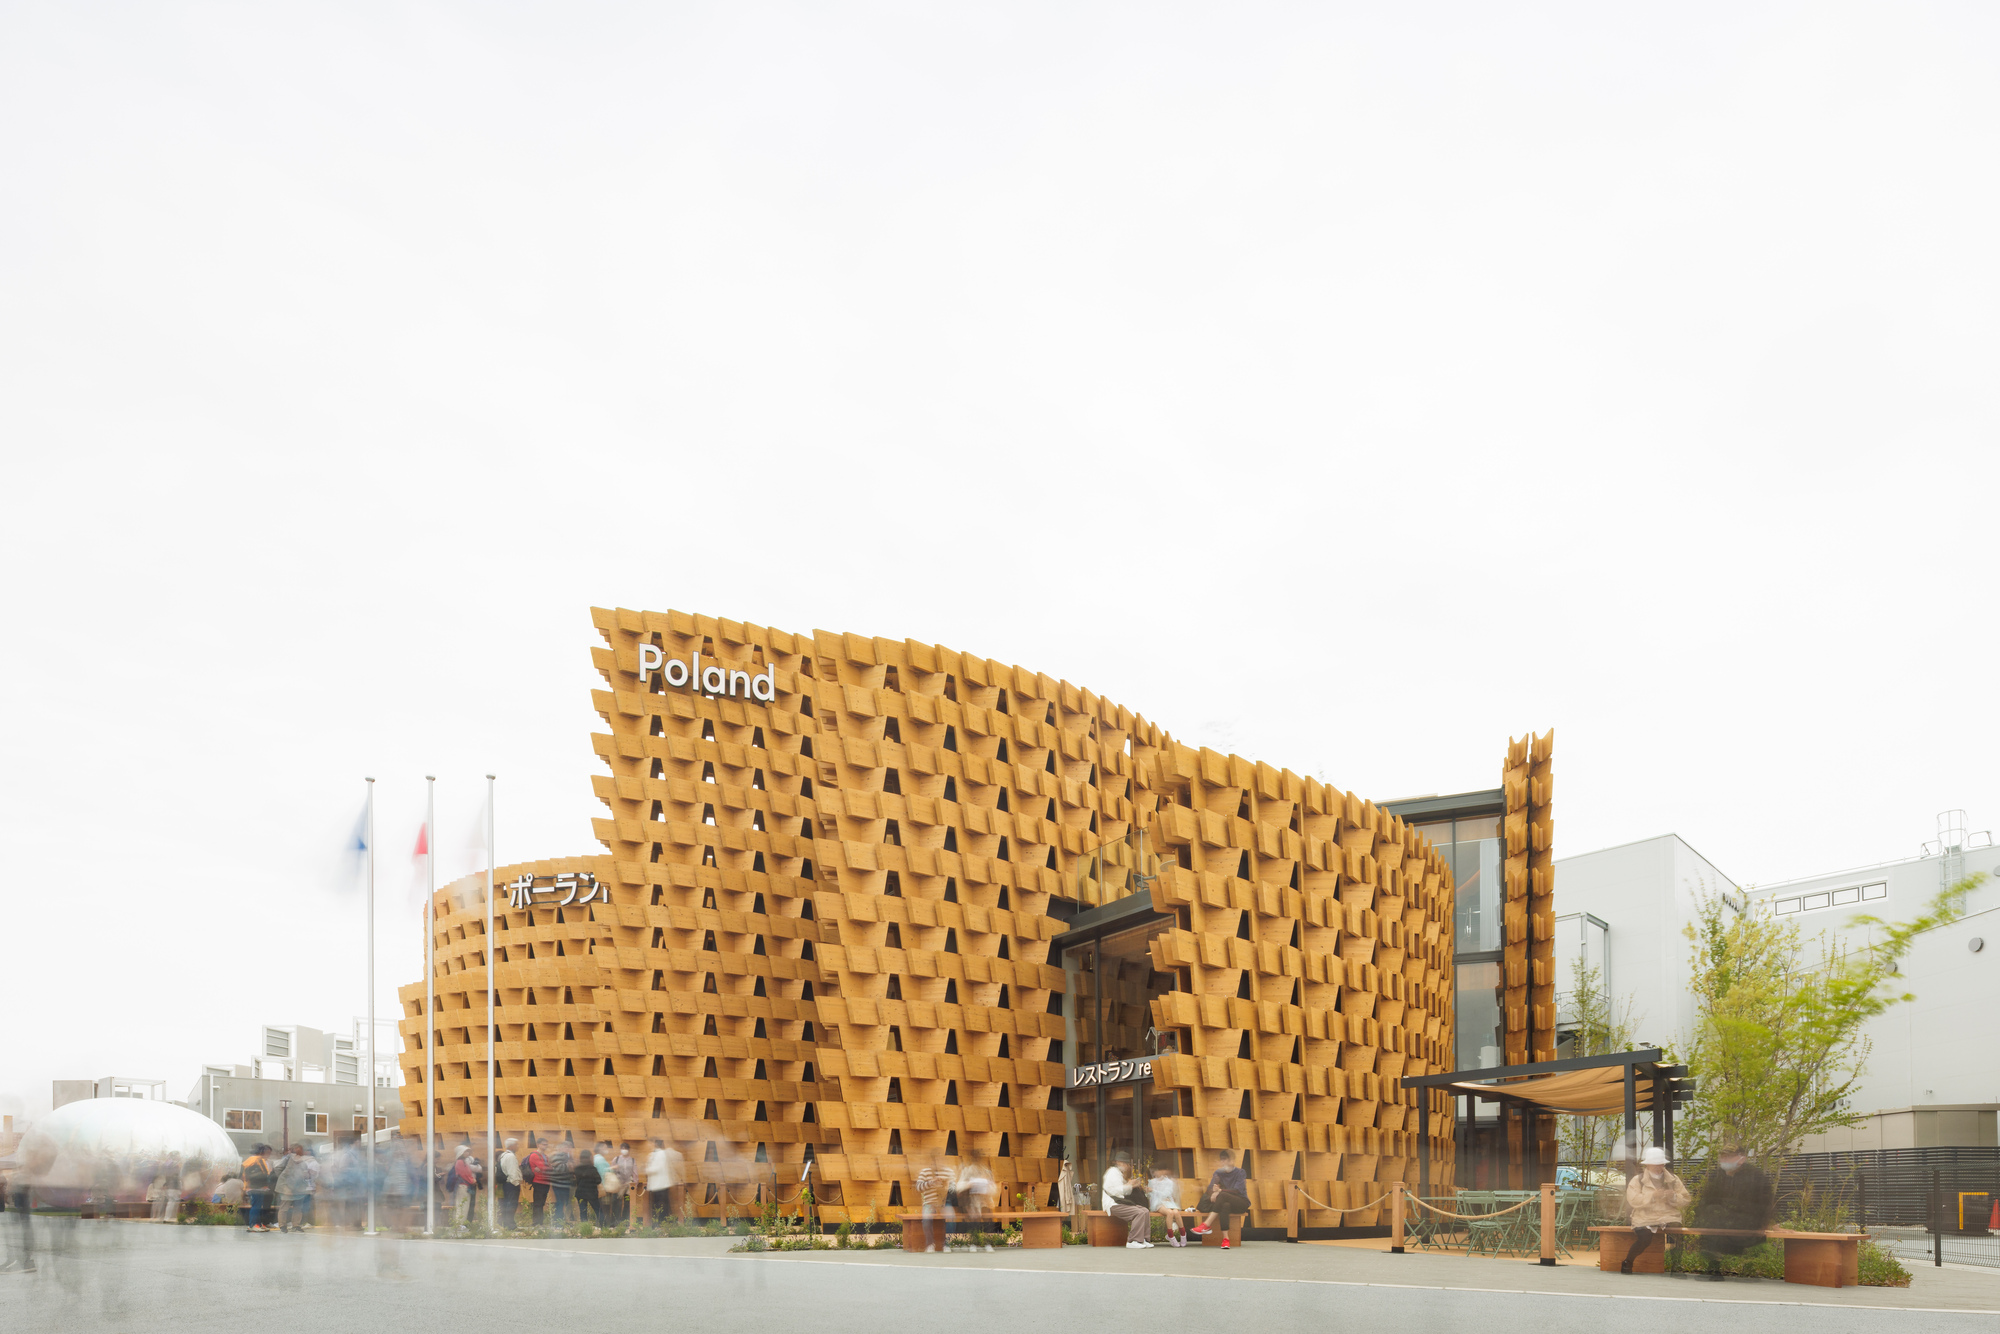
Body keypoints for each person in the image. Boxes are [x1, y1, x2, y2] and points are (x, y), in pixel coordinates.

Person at [1690, 1142, 1772, 1281]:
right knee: (1712, 1218)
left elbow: (1765, 1202)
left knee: (1718, 1224)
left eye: (1729, 1157)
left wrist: (1764, 1223)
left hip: (1747, 1219)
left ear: (1741, 1158)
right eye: (1723, 1157)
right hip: (1724, 1220)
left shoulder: (1755, 1176)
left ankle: (1745, 1267)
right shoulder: (1718, 1176)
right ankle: (1714, 1268)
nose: (1725, 1160)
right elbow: (1707, 1198)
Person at [1621, 1147, 1690, 1274]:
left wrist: (1674, 1196)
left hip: (1669, 1215)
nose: (1658, 1168)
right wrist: (1652, 1197)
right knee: (1644, 1238)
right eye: (1655, 1165)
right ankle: (1628, 1261)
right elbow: (1633, 1200)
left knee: (1678, 1236)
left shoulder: (1674, 1179)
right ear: (1648, 1165)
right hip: (1645, 1217)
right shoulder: (1638, 1180)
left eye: (1661, 1164)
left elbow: (1686, 1199)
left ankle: (1676, 1266)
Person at [1192, 1149, 1249, 1249]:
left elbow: (1237, 1190)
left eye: (1226, 1159)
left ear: (1232, 1160)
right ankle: (1226, 1239)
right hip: (1225, 1202)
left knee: (1222, 1195)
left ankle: (1206, 1225)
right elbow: (1209, 1189)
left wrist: (1219, 1191)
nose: (1223, 1162)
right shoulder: (1219, 1172)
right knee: (1224, 1205)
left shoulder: (1240, 1172)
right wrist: (1214, 1190)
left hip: (1240, 1202)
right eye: (1222, 1160)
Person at [1100, 1150, 1152, 1249]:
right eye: (1125, 1163)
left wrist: (1132, 1185)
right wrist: (1129, 1185)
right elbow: (1113, 1191)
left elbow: (1124, 1191)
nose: (1127, 1165)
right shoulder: (1112, 1172)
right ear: (1119, 1162)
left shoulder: (1118, 1173)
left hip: (1120, 1203)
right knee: (1139, 1213)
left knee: (1145, 1211)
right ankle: (1133, 1240)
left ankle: (1144, 1239)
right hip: (1113, 1204)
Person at [954, 1150, 998, 1251]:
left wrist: (988, 1186)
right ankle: (973, 1243)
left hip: (985, 1200)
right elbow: (959, 1186)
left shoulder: (986, 1171)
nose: (977, 1160)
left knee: (988, 1216)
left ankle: (988, 1243)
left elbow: (994, 1188)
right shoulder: (967, 1170)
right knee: (974, 1219)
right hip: (972, 1201)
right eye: (975, 1158)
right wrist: (969, 1184)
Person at [272, 1144, 317, 1233]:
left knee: (298, 1207)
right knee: (284, 1207)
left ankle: (296, 1225)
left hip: (299, 1188)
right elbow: (278, 1168)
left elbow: (304, 1175)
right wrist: (283, 1180)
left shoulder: (303, 1162)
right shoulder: (288, 1159)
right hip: (286, 1187)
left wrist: (308, 1175)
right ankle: (282, 1225)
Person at [914, 1156, 953, 1252]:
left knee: (951, 1217)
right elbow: (918, 1188)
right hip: (929, 1202)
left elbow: (954, 1189)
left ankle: (947, 1244)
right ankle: (930, 1243)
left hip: (945, 1202)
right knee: (926, 1218)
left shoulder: (948, 1172)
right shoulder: (925, 1172)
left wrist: (946, 1185)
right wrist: (931, 1182)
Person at [1147, 1164, 1186, 1247]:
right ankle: (1171, 1235)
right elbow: (1150, 1195)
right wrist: (1151, 1192)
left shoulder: (1169, 1182)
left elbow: (1167, 1193)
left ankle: (1183, 1235)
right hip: (1157, 1202)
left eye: (1158, 1170)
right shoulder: (1152, 1182)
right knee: (1170, 1213)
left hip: (1168, 1202)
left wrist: (1153, 1191)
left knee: (1176, 1213)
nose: (1156, 1173)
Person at [644, 1138, 679, 1226]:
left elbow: (658, 1168)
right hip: (656, 1185)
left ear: (656, 1144)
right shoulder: (653, 1154)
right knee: (657, 1205)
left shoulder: (662, 1154)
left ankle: (662, 1223)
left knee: (662, 1205)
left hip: (661, 1184)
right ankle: (658, 1223)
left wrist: (647, 1170)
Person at [242, 1145, 276, 1232]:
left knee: (257, 1206)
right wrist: (265, 1183)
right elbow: (262, 1174)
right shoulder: (257, 1160)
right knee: (256, 1207)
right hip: (257, 1188)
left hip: (253, 1187)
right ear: (261, 1152)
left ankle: (257, 1224)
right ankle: (253, 1224)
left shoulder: (249, 1160)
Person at [547, 1134, 576, 1228]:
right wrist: (569, 1166)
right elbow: (558, 1168)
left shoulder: (567, 1156)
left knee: (564, 1202)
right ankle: (557, 1222)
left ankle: (562, 1221)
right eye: (567, 1147)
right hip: (559, 1183)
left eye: (570, 1147)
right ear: (563, 1147)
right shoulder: (557, 1156)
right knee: (560, 1202)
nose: (569, 1149)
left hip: (566, 1182)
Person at [572, 1143, 601, 1227]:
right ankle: (603, 1226)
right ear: (590, 1157)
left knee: (583, 1211)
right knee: (598, 1210)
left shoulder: (577, 1169)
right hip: (592, 1192)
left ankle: (584, 1227)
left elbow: (575, 1181)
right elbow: (599, 1180)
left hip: (580, 1192)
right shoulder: (593, 1169)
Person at [525, 1137, 552, 1226]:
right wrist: (546, 1168)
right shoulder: (534, 1155)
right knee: (538, 1203)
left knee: (541, 1203)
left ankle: (540, 1222)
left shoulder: (545, 1156)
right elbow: (544, 1168)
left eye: (546, 1145)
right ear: (538, 1145)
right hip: (538, 1181)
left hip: (545, 1181)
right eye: (544, 1144)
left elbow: (548, 1168)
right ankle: (536, 1222)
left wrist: (546, 1168)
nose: (545, 1146)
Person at [150, 1153, 183, 1223]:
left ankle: (170, 1217)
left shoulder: (167, 1165)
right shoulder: (173, 1166)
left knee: (172, 1202)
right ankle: (167, 1217)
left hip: (171, 1186)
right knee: (171, 1202)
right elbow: (174, 1176)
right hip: (173, 1187)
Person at [497, 1139, 523, 1229]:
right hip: (511, 1184)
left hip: (506, 1183)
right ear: (511, 1146)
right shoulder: (511, 1156)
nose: (518, 1147)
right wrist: (516, 1182)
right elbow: (512, 1171)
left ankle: (506, 1223)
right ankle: (510, 1225)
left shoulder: (503, 1155)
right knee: (512, 1204)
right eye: (516, 1145)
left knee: (507, 1204)